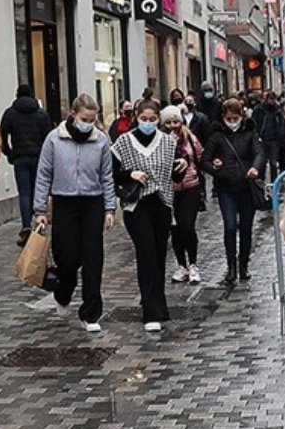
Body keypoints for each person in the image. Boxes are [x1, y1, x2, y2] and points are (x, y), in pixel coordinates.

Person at [34, 93, 116, 332]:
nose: (88, 123)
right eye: (84, 118)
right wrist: (40, 209)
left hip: (93, 202)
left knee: (93, 258)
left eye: (92, 119)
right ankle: (63, 291)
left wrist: (110, 208)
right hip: (64, 201)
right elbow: (44, 174)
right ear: (73, 114)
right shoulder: (54, 139)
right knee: (66, 256)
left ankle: (90, 313)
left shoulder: (100, 140)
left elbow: (107, 176)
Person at [111, 100, 176, 332]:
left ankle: (159, 303)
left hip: (161, 203)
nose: (148, 123)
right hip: (136, 205)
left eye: (152, 119)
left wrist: (180, 167)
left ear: (158, 119)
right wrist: (130, 173)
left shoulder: (169, 142)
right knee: (146, 252)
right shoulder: (124, 142)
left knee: (159, 255)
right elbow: (111, 173)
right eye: (144, 119)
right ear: (136, 117)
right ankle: (150, 311)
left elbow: (174, 177)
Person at [202, 98, 265, 287]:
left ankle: (244, 265)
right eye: (229, 119)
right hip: (226, 188)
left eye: (235, 118)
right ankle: (231, 267)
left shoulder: (249, 133)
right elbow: (204, 160)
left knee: (246, 228)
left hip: (246, 188)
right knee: (230, 227)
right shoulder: (217, 136)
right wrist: (216, 168)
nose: (232, 122)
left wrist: (255, 168)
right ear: (223, 117)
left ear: (241, 117)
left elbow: (259, 153)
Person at [0, 84, 52, 246]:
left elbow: (2, 135)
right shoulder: (41, 114)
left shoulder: (10, 113)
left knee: (24, 192)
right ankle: (39, 221)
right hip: (38, 156)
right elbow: (48, 137)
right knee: (38, 191)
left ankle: (26, 226)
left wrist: (9, 153)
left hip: (20, 157)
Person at [162, 105, 204, 285]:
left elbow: (200, 156)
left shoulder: (190, 138)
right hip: (169, 189)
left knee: (187, 225)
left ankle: (193, 264)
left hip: (190, 187)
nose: (173, 125)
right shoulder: (161, 140)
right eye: (169, 122)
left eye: (176, 121)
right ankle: (182, 266)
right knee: (175, 229)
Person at [256, 91, 285, 185]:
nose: (272, 101)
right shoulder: (259, 110)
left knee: (273, 163)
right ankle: (261, 182)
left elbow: (281, 124)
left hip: (274, 140)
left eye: (273, 99)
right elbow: (255, 123)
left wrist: (280, 136)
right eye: (271, 99)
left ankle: (274, 183)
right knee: (262, 163)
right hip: (263, 139)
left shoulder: (277, 111)